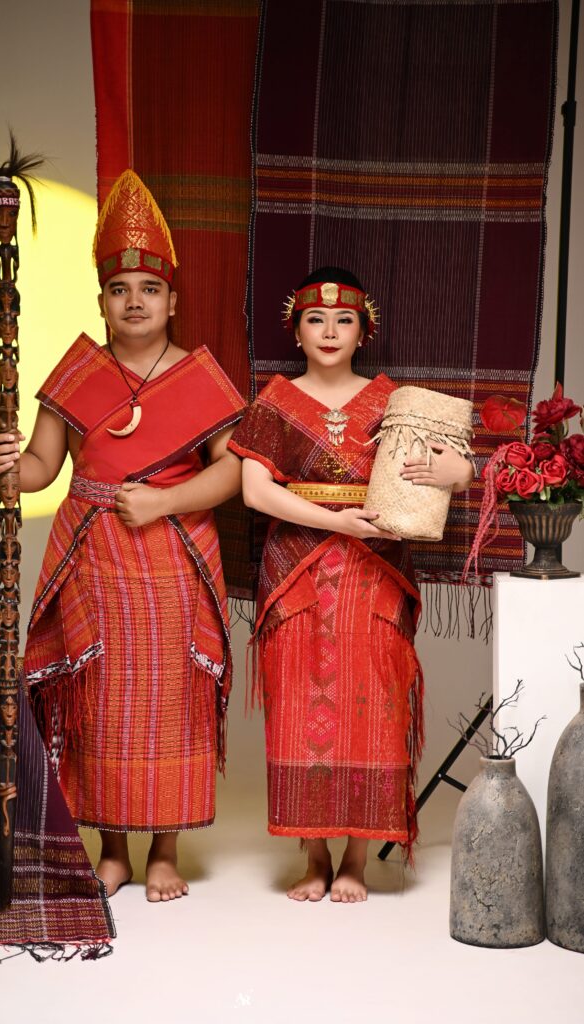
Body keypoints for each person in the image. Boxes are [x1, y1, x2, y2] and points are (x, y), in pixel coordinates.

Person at [0, 171, 244, 900]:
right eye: (119, 289)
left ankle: (166, 850)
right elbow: (41, 468)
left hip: (173, 553)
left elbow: (233, 473)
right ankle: (114, 847)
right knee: (100, 699)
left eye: (149, 289)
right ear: (101, 300)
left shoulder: (200, 379)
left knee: (170, 701)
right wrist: (4, 463)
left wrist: (164, 503)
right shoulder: (76, 375)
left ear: (172, 301)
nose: (134, 301)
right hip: (93, 555)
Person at [228, 266, 473, 903]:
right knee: (296, 706)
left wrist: (453, 471)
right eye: (316, 319)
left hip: (376, 567)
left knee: (375, 706)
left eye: (345, 320)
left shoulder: (394, 400)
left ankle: (356, 859)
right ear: (297, 331)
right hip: (298, 566)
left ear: (365, 331)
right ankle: (314, 857)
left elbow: (460, 467)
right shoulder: (275, 401)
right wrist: (335, 520)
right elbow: (255, 491)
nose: (330, 331)